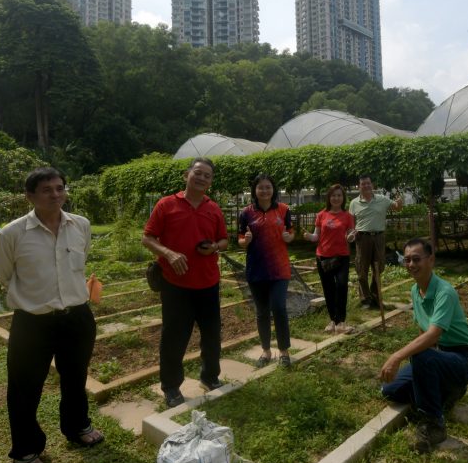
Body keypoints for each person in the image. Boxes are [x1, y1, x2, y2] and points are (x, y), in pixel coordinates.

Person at [0, 167, 104, 463]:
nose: (55, 195)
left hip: (77, 317)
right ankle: (26, 450)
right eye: (46, 190)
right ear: (30, 196)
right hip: (32, 322)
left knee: (75, 378)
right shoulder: (11, 234)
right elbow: (5, 274)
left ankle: (78, 427)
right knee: (24, 387)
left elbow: (80, 264)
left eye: (59, 188)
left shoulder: (80, 225)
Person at [141, 158, 229, 407]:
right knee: (174, 337)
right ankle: (171, 387)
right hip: (175, 284)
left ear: (210, 182)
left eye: (207, 176)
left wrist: (214, 247)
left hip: (208, 283)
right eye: (198, 173)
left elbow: (224, 240)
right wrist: (168, 253)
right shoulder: (167, 204)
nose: (202, 178)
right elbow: (147, 238)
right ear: (186, 175)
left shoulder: (214, 209)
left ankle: (210, 377)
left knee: (212, 335)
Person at [380, 238, 468, 454]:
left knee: (421, 356)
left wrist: (397, 356)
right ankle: (446, 392)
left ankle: (434, 422)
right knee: (391, 391)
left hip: (462, 360)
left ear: (431, 260)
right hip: (438, 355)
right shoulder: (416, 290)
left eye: (416, 259)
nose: (411, 265)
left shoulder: (445, 291)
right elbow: (424, 331)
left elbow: (434, 333)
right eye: (407, 260)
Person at [238, 174, 295, 367]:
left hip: (279, 268)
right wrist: (245, 241)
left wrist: (289, 238)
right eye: (260, 187)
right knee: (262, 312)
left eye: (268, 187)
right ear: (255, 190)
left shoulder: (284, 209)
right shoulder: (246, 213)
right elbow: (240, 240)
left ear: (273, 189)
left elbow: (290, 232)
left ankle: (284, 351)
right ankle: (266, 351)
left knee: (279, 307)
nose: (264, 190)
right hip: (256, 269)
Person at [304, 184, 356, 334]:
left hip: (342, 256)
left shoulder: (347, 216)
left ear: (343, 198)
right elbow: (316, 236)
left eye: (339, 195)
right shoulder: (321, 215)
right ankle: (333, 320)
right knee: (328, 289)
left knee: (341, 286)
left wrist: (351, 236)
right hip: (323, 257)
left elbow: (351, 234)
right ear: (329, 197)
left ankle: (341, 321)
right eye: (333, 195)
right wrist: (309, 237)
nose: (336, 198)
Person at [349, 175, 402, 309]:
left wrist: (400, 201)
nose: (366, 186)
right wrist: (350, 233)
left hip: (379, 237)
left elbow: (396, 207)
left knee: (379, 268)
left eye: (368, 183)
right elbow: (350, 223)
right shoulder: (354, 203)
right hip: (362, 238)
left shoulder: (382, 199)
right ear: (359, 186)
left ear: (372, 185)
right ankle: (365, 299)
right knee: (361, 269)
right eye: (363, 184)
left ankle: (374, 296)